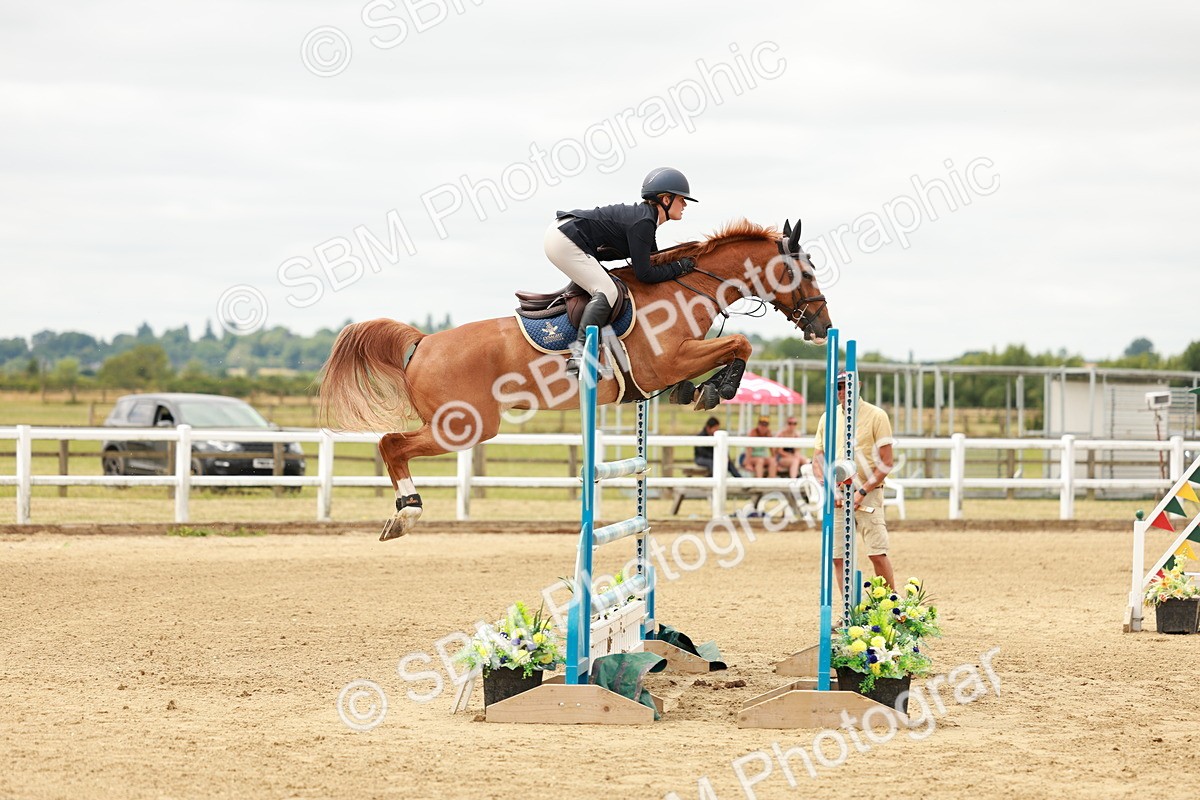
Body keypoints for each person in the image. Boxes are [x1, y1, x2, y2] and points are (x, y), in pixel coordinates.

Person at [545, 167, 699, 374]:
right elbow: (644, 274)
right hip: (565, 238)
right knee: (608, 291)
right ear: (665, 199)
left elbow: (654, 262)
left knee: (606, 286)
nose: (685, 205)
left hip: (565, 235)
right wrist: (680, 267)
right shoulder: (644, 222)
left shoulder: (646, 221)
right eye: (682, 199)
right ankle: (579, 355)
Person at [812, 371, 897, 592]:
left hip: (869, 492)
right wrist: (833, 491)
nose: (841, 392)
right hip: (838, 495)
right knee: (838, 557)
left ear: (857, 386)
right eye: (838, 387)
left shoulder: (877, 416)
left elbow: (887, 462)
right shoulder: (827, 418)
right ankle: (848, 612)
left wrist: (862, 491)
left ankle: (892, 605)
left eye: (845, 386)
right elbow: (817, 460)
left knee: (877, 552)